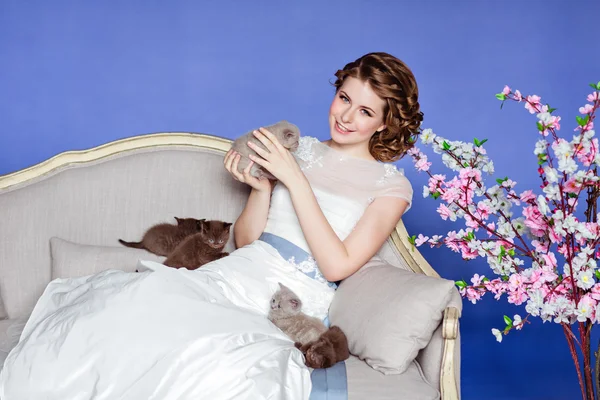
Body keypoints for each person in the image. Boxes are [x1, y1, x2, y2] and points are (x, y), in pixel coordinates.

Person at [0, 52, 422, 400]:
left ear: (385, 123)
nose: (346, 116)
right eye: (344, 97)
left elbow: (337, 266)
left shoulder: (391, 186)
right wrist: (262, 187)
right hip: (236, 271)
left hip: (288, 296)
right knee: (131, 311)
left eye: (365, 110)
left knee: (211, 364)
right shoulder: (301, 148)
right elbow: (247, 240)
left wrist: (293, 179)